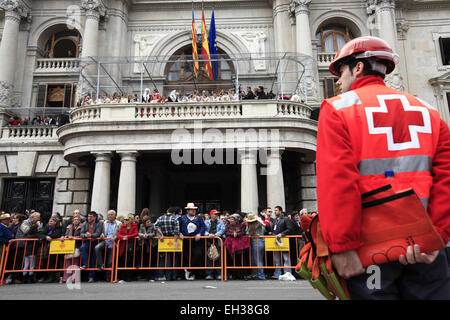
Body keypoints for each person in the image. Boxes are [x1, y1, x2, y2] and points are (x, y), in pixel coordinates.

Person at [316, 36, 450, 299]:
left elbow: (338, 183)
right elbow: (446, 180)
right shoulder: (431, 112)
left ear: (358, 68)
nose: (338, 82)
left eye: (340, 72)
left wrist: (342, 247)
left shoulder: (336, 109)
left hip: (369, 250)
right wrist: (437, 237)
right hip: (425, 247)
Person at [179, 203, 206, 280]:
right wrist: (180, 233)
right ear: (187, 210)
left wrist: (199, 234)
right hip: (186, 240)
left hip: (196, 241)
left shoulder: (199, 217)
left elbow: (203, 226)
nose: (194, 211)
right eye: (192, 209)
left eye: (194, 209)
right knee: (187, 256)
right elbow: (178, 227)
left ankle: (190, 270)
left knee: (198, 254)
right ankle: (188, 271)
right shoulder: (182, 218)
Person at [154, 207, 181, 281]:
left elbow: (155, 226)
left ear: (167, 211)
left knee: (164, 258)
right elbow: (176, 230)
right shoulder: (174, 218)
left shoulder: (161, 217)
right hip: (172, 238)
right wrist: (175, 241)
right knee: (174, 258)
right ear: (174, 213)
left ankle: (165, 275)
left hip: (164, 239)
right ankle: (174, 275)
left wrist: (161, 234)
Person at [95, 210, 121, 281]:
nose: (110, 216)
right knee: (97, 247)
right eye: (109, 215)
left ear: (115, 215)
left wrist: (115, 238)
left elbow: (120, 233)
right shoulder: (105, 223)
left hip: (114, 242)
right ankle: (100, 264)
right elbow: (102, 232)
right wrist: (102, 235)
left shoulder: (119, 223)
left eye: (112, 214)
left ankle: (109, 277)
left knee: (110, 261)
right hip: (105, 241)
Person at [224, 213, 250, 280]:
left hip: (240, 244)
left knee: (241, 259)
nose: (231, 220)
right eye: (230, 219)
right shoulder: (227, 225)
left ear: (236, 220)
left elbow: (243, 232)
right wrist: (232, 234)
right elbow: (226, 232)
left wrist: (237, 234)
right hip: (230, 244)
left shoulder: (241, 225)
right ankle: (233, 275)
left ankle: (243, 275)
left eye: (232, 219)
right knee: (230, 259)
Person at [79, 211, 103, 283]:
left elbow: (98, 233)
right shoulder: (84, 223)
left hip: (96, 242)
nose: (89, 218)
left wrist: (91, 235)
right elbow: (81, 234)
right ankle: (85, 264)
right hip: (87, 242)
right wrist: (85, 235)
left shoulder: (99, 223)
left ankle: (91, 277)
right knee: (82, 247)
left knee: (93, 259)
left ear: (95, 217)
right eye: (88, 216)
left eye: (91, 216)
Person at [38, 217, 63, 283]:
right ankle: (45, 276)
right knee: (46, 261)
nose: (50, 222)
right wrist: (46, 237)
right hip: (47, 247)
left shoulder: (58, 227)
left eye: (51, 221)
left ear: (55, 222)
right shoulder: (46, 227)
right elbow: (41, 234)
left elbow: (57, 235)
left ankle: (52, 277)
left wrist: (50, 237)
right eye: (49, 221)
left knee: (52, 262)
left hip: (55, 247)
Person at [271, 206, 294, 279]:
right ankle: (277, 273)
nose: (275, 212)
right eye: (274, 210)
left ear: (281, 211)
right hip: (275, 240)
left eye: (276, 210)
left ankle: (287, 273)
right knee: (277, 258)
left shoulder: (286, 219)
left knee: (286, 258)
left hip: (284, 240)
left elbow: (290, 229)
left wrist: (282, 234)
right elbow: (273, 229)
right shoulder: (274, 220)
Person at [117, 214, 139, 282]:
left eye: (127, 220)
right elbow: (118, 234)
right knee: (123, 260)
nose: (125, 221)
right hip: (123, 244)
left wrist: (128, 236)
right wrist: (123, 237)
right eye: (125, 220)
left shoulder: (134, 226)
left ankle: (129, 277)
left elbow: (136, 233)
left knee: (129, 260)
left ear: (130, 220)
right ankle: (122, 276)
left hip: (131, 244)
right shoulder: (122, 226)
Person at [204, 209, 225, 280]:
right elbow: (204, 230)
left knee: (219, 258)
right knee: (209, 258)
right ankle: (209, 274)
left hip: (218, 241)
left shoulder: (221, 222)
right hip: (209, 241)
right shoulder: (207, 222)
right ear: (211, 215)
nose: (216, 215)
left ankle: (219, 274)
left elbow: (222, 230)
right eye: (214, 214)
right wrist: (208, 234)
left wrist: (215, 235)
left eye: (217, 214)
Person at [61, 215, 82, 283]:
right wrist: (66, 237)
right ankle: (66, 278)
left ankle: (74, 278)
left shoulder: (81, 227)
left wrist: (74, 237)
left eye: (77, 220)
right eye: (75, 219)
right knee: (67, 262)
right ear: (72, 221)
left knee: (75, 262)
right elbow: (66, 234)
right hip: (68, 246)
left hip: (76, 245)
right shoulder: (69, 227)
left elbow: (82, 236)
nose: (76, 221)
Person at [245, 213, 266, 280]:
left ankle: (261, 275)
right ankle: (259, 274)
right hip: (262, 242)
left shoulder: (251, 227)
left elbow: (247, 233)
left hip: (256, 243)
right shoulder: (260, 225)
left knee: (257, 260)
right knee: (260, 259)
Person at [137, 216, 157, 280]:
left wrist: (148, 235)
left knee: (151, 260)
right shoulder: (141, 226)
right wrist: (143, 235)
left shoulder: (153, 226)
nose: (149, 223)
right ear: (144, 222)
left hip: (151, 244)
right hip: (143, 244)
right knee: (144, 260)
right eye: (147, 222)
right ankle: (145, 275)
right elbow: (139, 233)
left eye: (149, 221)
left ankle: (152, 275)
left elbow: (154, 233)